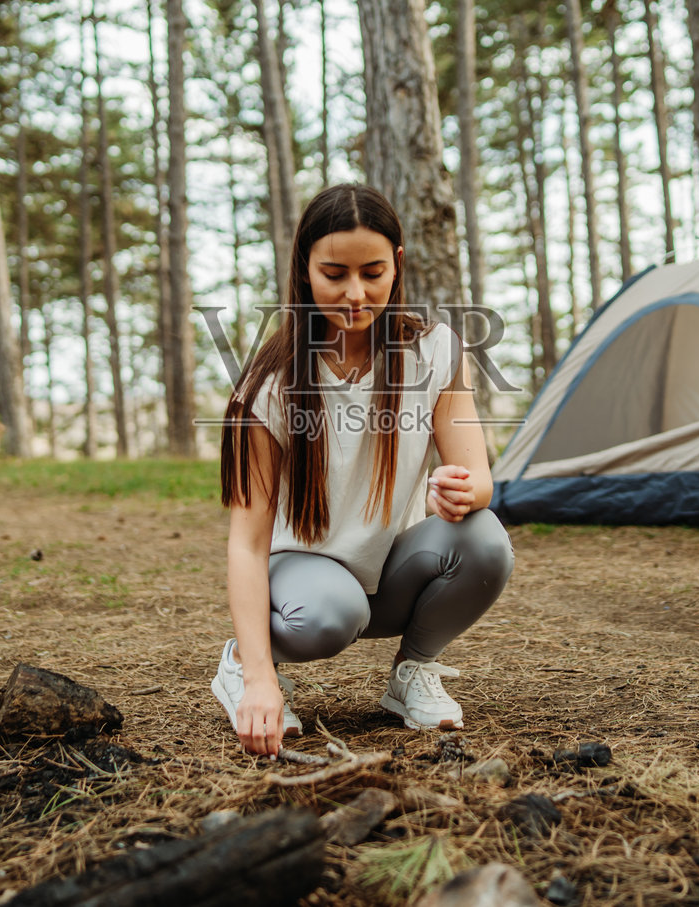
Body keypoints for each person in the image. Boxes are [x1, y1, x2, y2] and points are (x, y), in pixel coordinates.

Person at [211, 183, 514, 757]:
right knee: (331, 614)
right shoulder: (269, 385)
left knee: (485, 540)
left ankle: (413, 674)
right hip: (306, 585)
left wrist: (459, 491)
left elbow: (478, 479)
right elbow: (247, 545)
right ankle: (242, 664)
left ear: (397, 265)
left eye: (373, 272)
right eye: (334, 274)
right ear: (304, 270)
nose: (355, 293)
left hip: (388, 571)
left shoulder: (435, 352)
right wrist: (260, 682)